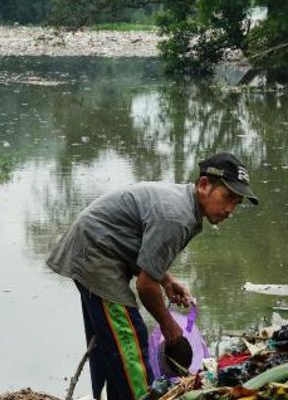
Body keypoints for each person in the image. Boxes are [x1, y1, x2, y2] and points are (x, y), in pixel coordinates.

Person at [47, 153, 259, 400]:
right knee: (130, 344)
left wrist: (167, 280)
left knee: (114, 349)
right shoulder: (176, 217)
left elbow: (143, 250)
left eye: (237, 203)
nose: (230, 209)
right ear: (203, 185)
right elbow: (146, 286)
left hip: (101, 247)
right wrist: (169, 326)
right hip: (97, 253)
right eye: (227, 197)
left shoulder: (183, 205)